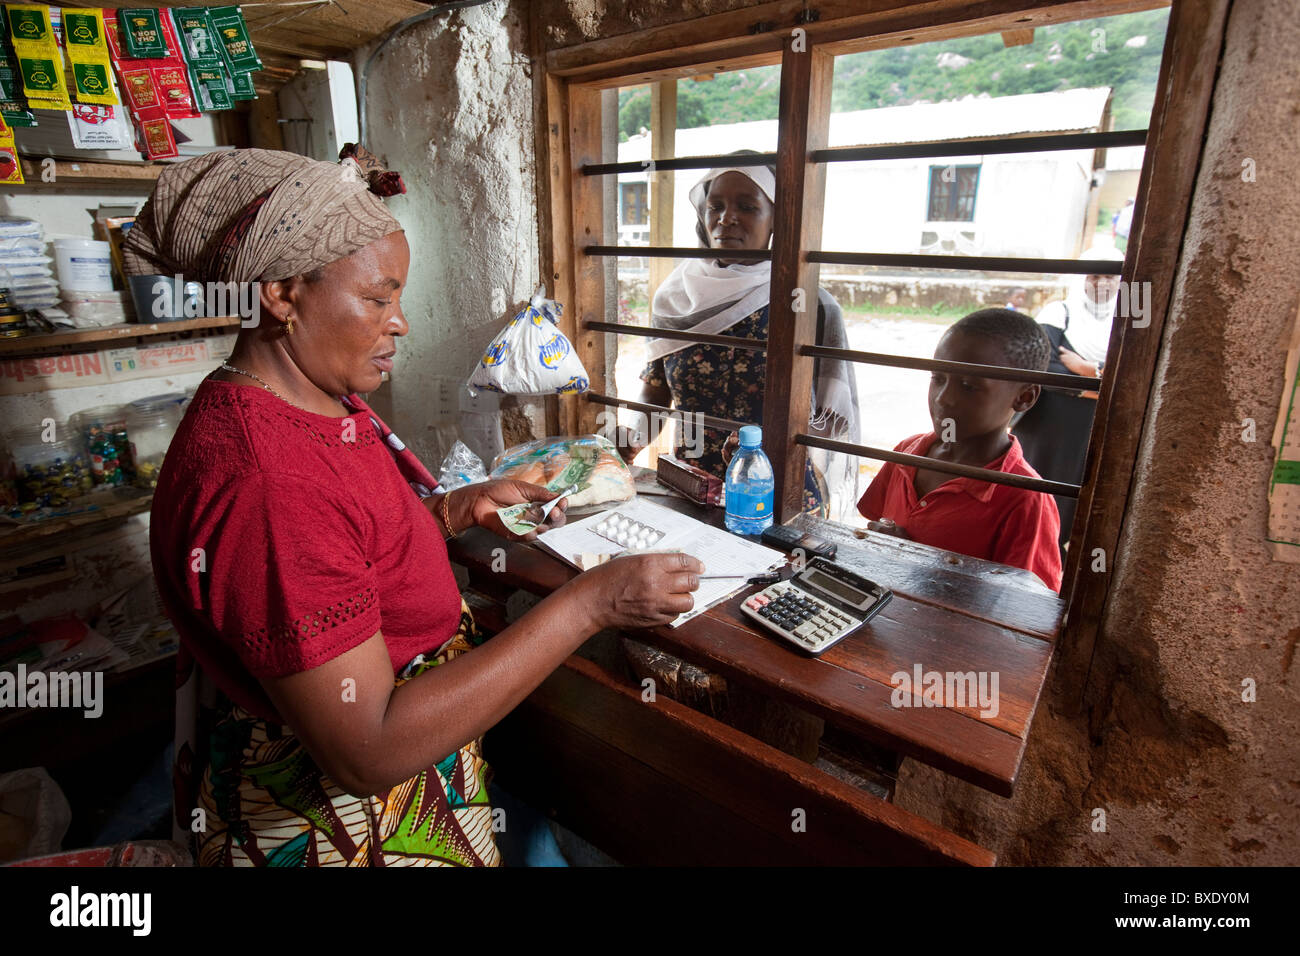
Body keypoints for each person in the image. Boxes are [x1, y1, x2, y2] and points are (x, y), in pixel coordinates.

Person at [125, 148, 704, 867]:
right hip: (347, 824)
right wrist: (591, 604)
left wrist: (454, 510)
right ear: (280, 292)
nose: (400, 323)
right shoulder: (270, 481)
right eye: (377, 298)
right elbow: (367, 748)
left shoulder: (304, 402)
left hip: (407, 792)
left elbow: (346, 549)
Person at [627, 156, 862, 519]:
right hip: (690, 488)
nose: (725, 218)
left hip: (774, 495)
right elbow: (657, 390)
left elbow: (830, 418)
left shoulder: (807, 303)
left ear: (776, 221)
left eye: (747, 207)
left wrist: (772, 441)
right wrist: (633, 438)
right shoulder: (677, 298)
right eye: (715, 206)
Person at [856, 308, 1062, 592]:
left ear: (1024, 397)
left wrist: (919, 564)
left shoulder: (1026, 499)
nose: (944, 398)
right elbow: (877, 528)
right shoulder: (907, 453)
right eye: (938, 378)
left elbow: (1027, 611)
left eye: (968, 386)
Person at [1013, 243, 1125, 550]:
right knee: (1036, 494)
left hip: (1092, 427)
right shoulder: (1058, 311)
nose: (1101, 283)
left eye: (1109, 276)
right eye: (1093, 276)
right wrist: (1096, 387)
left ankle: (1054, 567)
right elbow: (1043, 365)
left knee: (1078, 499)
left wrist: (1089, 368)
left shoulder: (1129, 317)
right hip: (1050, 426)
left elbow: (1133, 369)